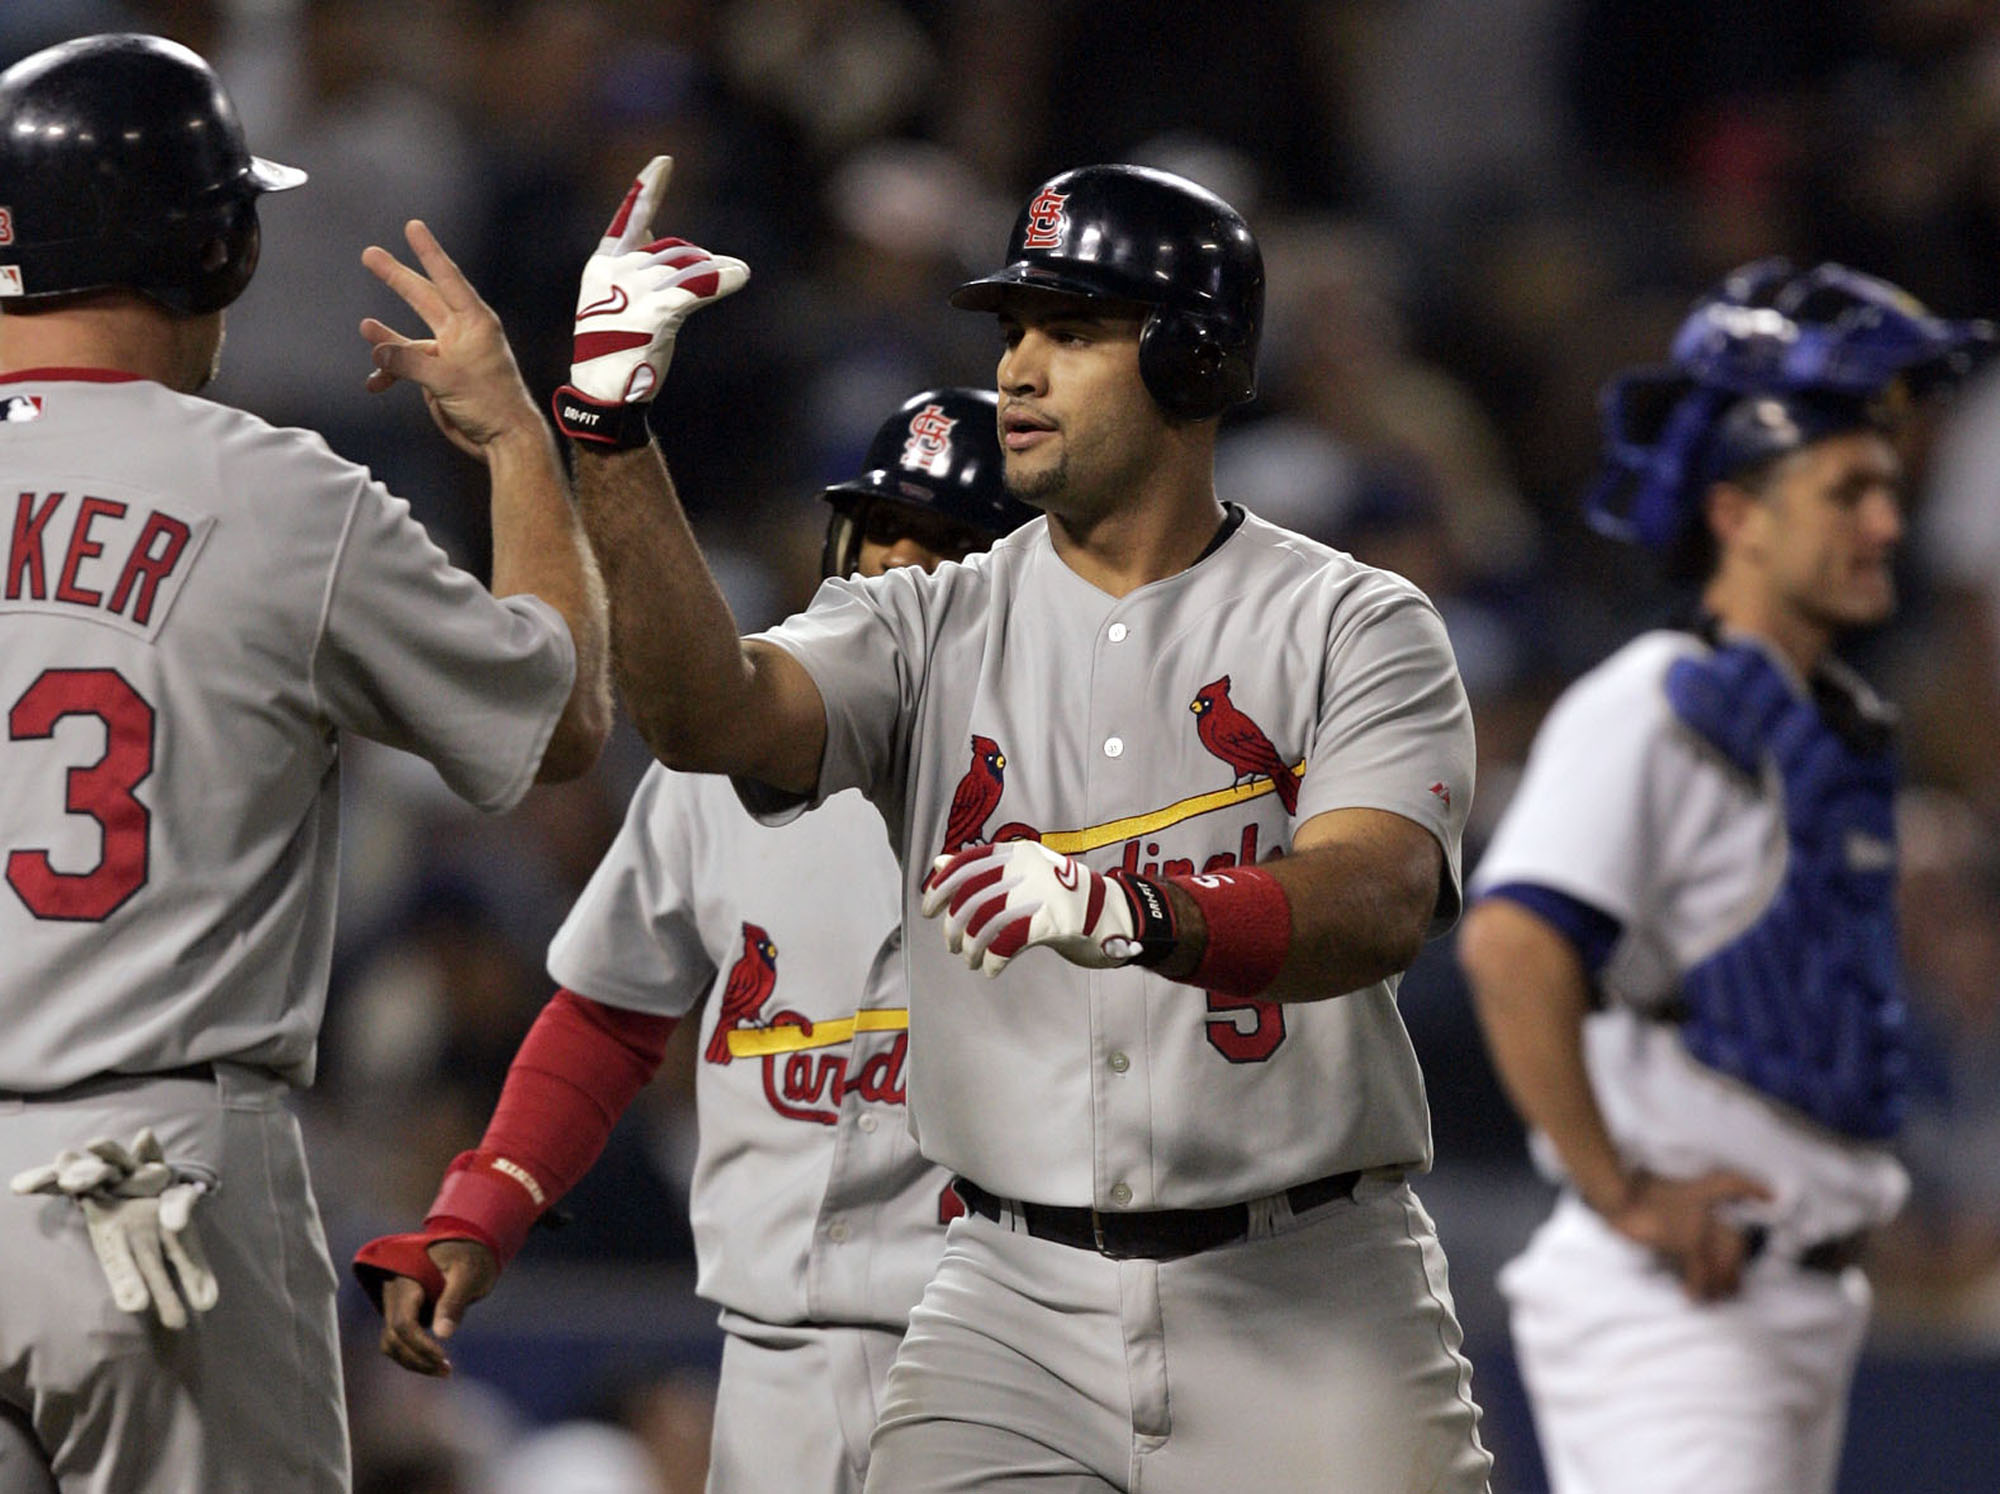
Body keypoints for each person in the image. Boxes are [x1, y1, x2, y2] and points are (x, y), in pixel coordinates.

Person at [546, 155, 1493, 1491]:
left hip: (1310, 1285)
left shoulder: (1349, 619)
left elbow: (1378, 898)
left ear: (1194, 356)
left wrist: (1144, 909)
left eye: (1075, 328)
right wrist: (609, 432)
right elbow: (711, 716)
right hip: (1006, 1295)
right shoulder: (926, 619)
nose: (1022, 369)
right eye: (1013, 330)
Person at [0, 33, 609, 1494]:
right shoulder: (279, 497)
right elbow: (561, 717)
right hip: (154, 1171)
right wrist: (515, 437)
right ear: (214, 248)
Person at [351, 385, 1037, 1494]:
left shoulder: (1101, 775)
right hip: (773, 1355)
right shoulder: (727, 745)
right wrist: (483, 1204)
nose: (898, 570)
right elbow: (612, 1009)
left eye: (951, 545)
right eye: (881, 532)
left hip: (1011, 1354)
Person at [1456, 259, 1994, 1494]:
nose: (1885, 525)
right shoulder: (1650, 702)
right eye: (1844, 491)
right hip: (1673, 1303)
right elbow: (1510, 943)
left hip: (1784, 1302)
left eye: (1885, 488)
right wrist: (1622, 1188)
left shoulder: (1827, 726)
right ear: (1736, 513)